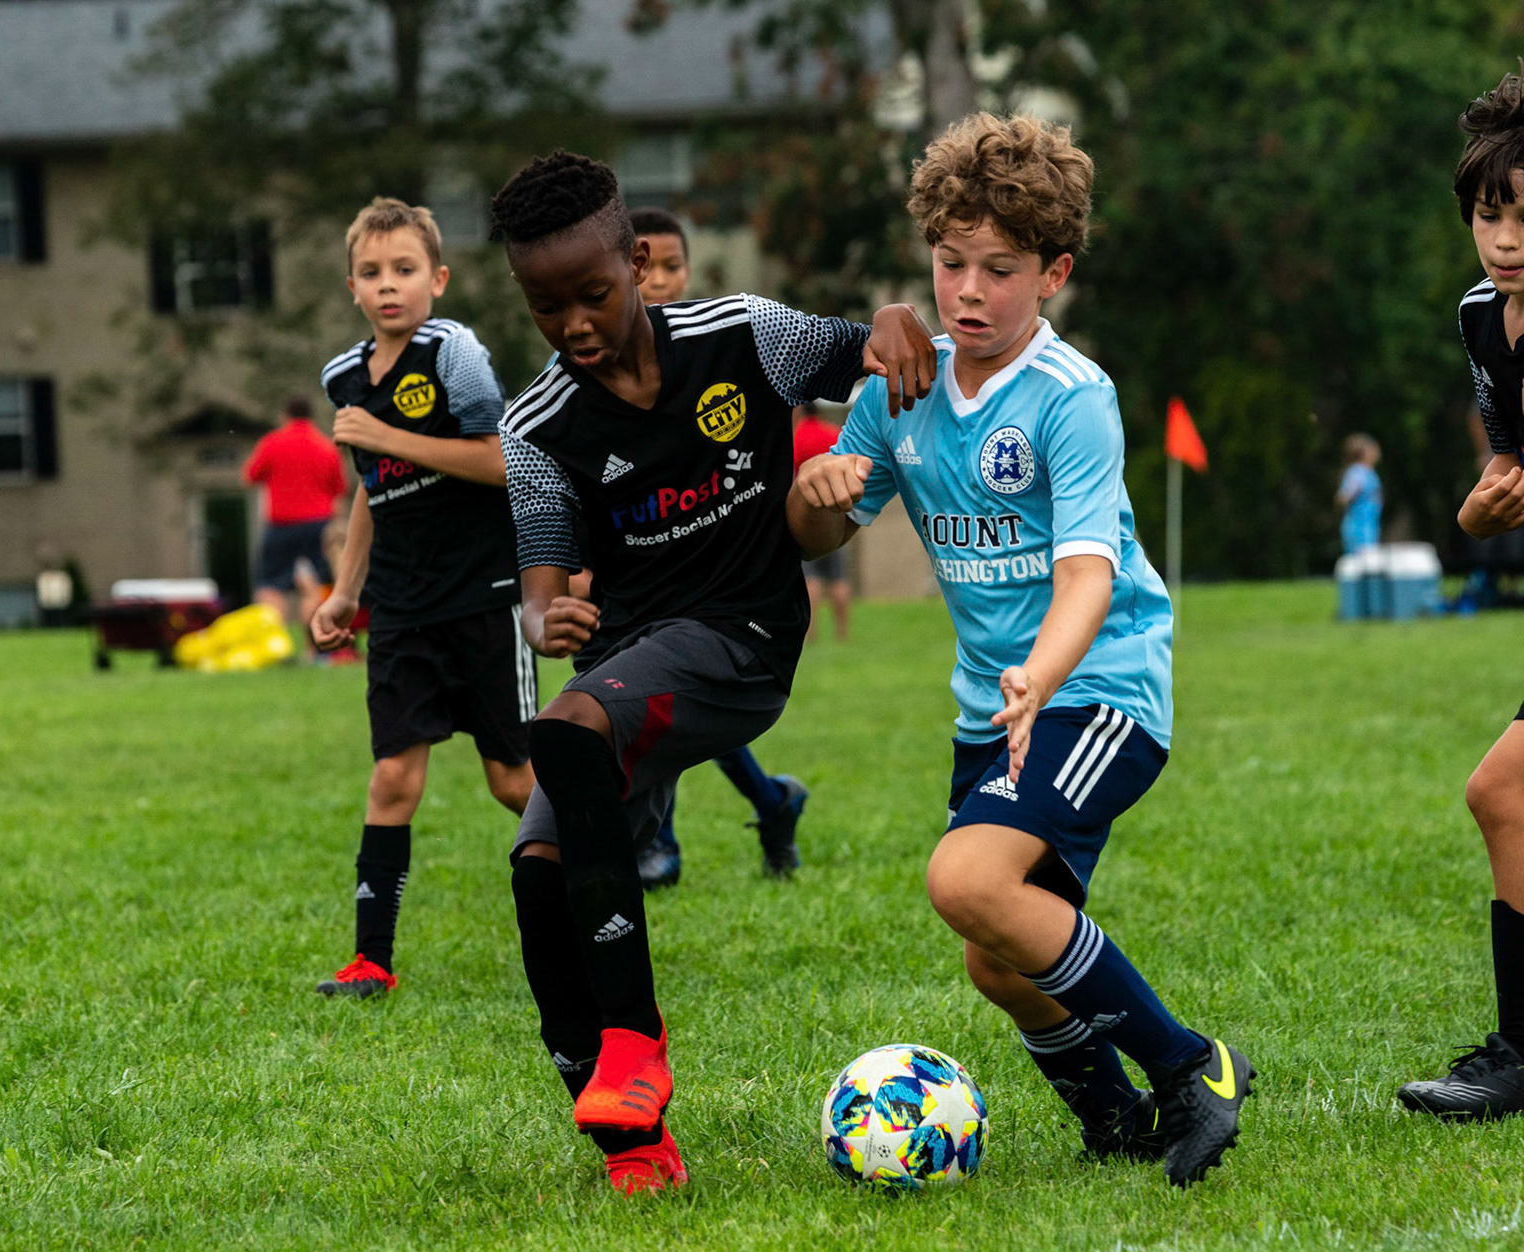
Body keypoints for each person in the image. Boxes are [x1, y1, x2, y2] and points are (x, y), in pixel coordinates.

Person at [791, 113, 1254, 1189]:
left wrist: (1044, 673)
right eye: (951, 263)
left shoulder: (1071, 398)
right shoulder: (895, 390)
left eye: (1000, 269)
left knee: (964, 874)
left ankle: (1193, 1066)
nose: (967, 291)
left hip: (1099, 687)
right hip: (995, 704)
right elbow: (821, 532)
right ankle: (1117, 1121)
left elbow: (1090, 573)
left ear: (1055, 273)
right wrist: (812, 497)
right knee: (994, 953)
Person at [488, 150, 925, 1194]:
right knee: (536, 872)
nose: (575, 326)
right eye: (547, 309)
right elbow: (542, 576)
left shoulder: (743, 335)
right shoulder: (535, 425)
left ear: (637, 265)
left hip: (746, 636)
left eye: (593, 295)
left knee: (576, 730)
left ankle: (635, 1040)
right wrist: (551, 614)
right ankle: (636, 1149)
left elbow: (872, 349)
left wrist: (901, 314)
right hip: (623, 670)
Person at [309, 197, 536, 999]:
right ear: (353, 287)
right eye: (372, 273)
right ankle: (372, 961)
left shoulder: (456, 355)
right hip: (402, 612)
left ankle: (598, 891)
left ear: (436, 278)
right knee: (392, 781)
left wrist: (385, 437)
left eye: (405, 270)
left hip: (482, 597)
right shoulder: (343, 377)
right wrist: (344, 594)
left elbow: (500, 462)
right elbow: (372, 493)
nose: (389, 286)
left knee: (512, 782)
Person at [1396, 72, 1524, 1120]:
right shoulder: (1483, 320)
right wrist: (1482, 513)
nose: (1507, 239)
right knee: (1505, 794)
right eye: (1491, 213)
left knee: (1504, 791)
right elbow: (1507, 472)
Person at [625, 206, 810, 891]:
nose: (663, 281)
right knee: (659, 702)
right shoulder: (600, 363)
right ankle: (770, 802)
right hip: (642, 559)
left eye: (675, 266)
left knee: (674, 701)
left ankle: (660, 847)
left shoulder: (717, 347)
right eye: (649, 267)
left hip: (717, 565)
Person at [243, 395, 346, 637]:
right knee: (316, 587)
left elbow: (249, 477)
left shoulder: (272, 442)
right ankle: (315, 646)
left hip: (281, 525)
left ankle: (275, 645)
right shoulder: (327, 446)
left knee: (270, 586)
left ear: (285, 415)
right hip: (320, 525)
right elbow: (339, 492)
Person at [793, 403, 854, 641]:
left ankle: (811, 631)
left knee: (810, 577)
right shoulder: (833, 433)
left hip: (808, 516)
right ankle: (842, 631)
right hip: (836, 512)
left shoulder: (797, 436)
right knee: (839, 576)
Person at [1337, 433, 1384, 554]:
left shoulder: (1367, 472)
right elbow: (1343, 496)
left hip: (1369, 523)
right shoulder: (1358, 472)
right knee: (1362, 561)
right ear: (1365, 453)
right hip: (1359, 526)